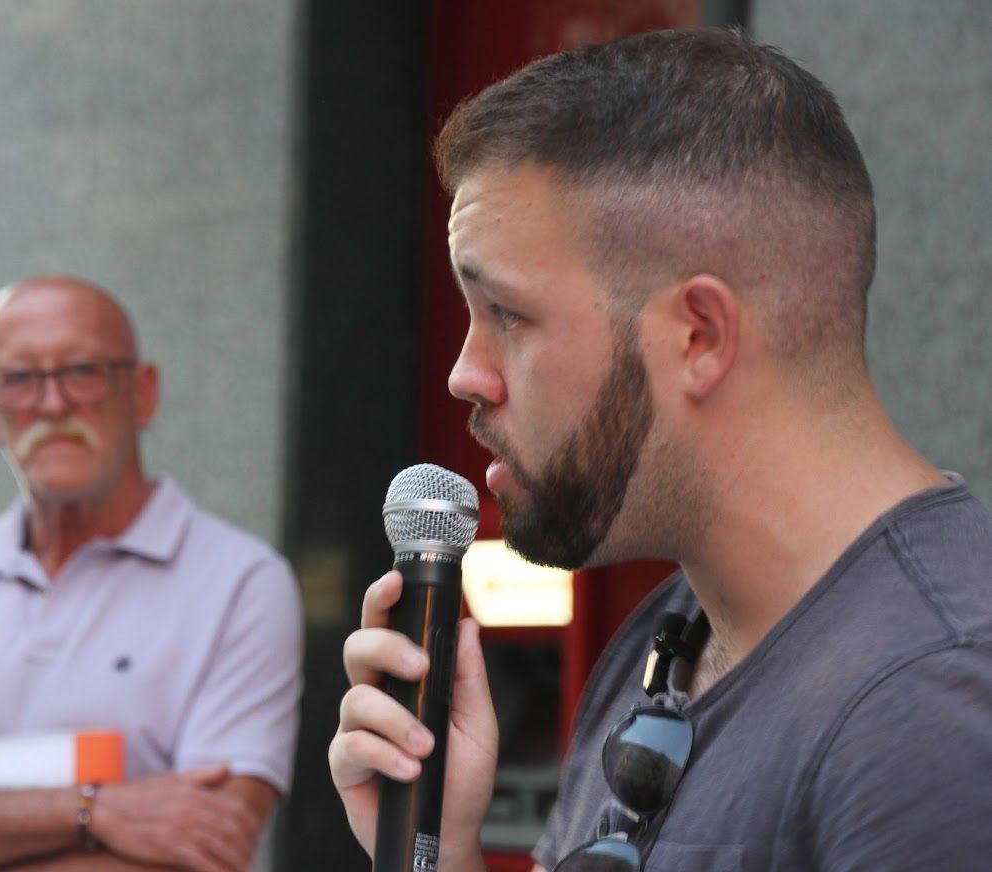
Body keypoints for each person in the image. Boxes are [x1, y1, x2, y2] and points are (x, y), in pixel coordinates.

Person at [329, 27, 992, 872]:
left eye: (507, 315)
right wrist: (436, 850)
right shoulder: (671, 637)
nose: (465, 375)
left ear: (697, 335)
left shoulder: (930, 707)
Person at [0, 275, 303, 872]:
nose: (52, 404)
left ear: (142, 393)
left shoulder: (242, 585)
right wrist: (97, 813)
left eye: (82, 371)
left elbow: (208, 846)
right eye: (21, 379)